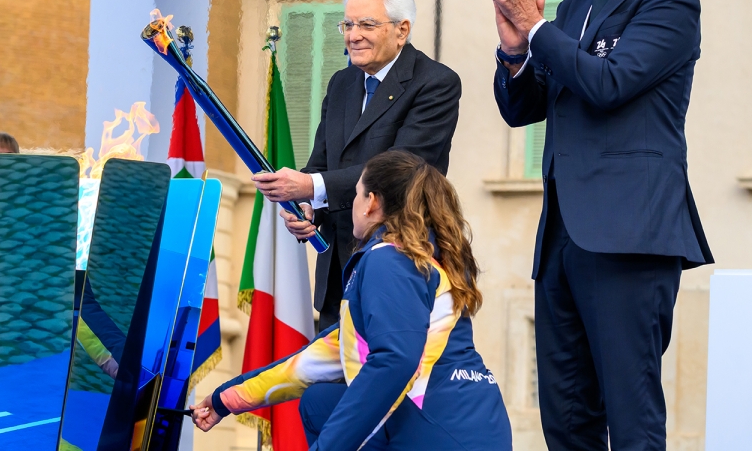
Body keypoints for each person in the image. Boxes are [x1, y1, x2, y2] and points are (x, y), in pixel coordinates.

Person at [479, 0, 713, 450]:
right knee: (566, 417)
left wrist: (535, 24)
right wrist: (514, 51)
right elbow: (525, 107)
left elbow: (609, 84)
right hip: (562, 234)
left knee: (630, 417)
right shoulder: (575, 10)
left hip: (629, 236)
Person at [191, 150, 512, 450]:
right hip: (477, 423)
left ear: (371, 203)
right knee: (320, 401)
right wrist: (225, 400)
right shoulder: (427, 260)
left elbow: (395, 361)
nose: (352, 202)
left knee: (325, 403)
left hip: (442, 432)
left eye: (357, 193)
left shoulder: (389, 260)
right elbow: (317, 359)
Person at [253, 0, 462, 328]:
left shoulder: (436, 83)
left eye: (367, 24)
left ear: (402, 29)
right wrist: (308, 207)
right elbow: (320, 163)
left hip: (398, 266)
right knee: (329, 378)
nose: (353, 35)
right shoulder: (341, 84)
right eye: (347, 24)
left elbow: (402, 170)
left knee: (386, 374)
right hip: (336, 274)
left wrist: (311, 187)